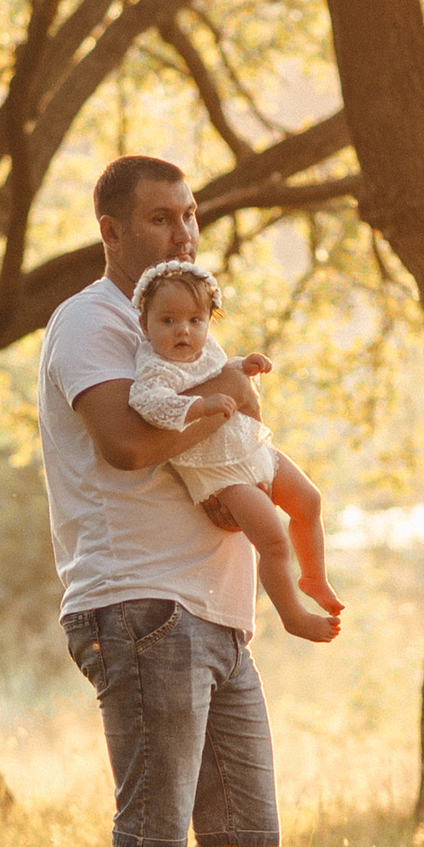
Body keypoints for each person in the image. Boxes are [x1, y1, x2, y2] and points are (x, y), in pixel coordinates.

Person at [39, 155, 339, 847]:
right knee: (153, 839)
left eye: (190, 215)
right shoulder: (89, 323)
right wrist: (221, 401)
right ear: (113, 231)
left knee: (244, 832)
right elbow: (130, 444)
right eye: (163, 218)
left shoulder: (189, 330)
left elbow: (245, 446)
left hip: (217, 611)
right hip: (138, 605)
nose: (183, 232)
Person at [128, 259, 340, 636]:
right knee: (272, 539)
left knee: (309, 501)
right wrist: (198, 405)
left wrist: (244, 365)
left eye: (196, 320)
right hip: (221, 474)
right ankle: (293, 615)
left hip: (250, 447)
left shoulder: (205, 349)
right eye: (168, 321)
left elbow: (221, 371)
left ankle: (313, 577)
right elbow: (150, 404)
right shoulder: (155, 368)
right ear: (145, 324)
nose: (184, 331)